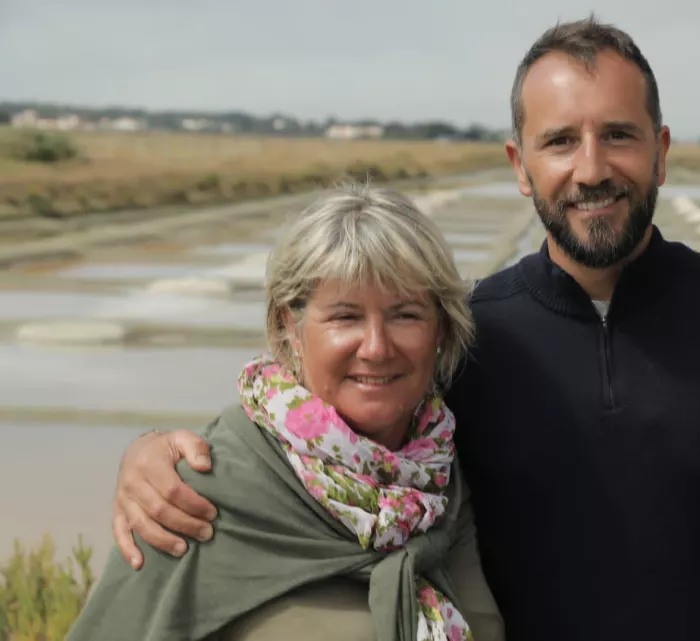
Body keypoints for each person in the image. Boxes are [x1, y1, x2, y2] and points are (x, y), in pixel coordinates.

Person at [106, 15, 700, 641]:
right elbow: (321, 436)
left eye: (619, 135)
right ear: (520, 164)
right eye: (561, 141)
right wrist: (154, 455)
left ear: (661, 152)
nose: (592, 168)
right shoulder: (465, 336)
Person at [68, 185, 503, 641]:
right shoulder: (191, 495)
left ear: (441, 329)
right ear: (289, 326)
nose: (376, 348)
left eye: (405, 315)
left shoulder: (443, 478)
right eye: (345, 317)